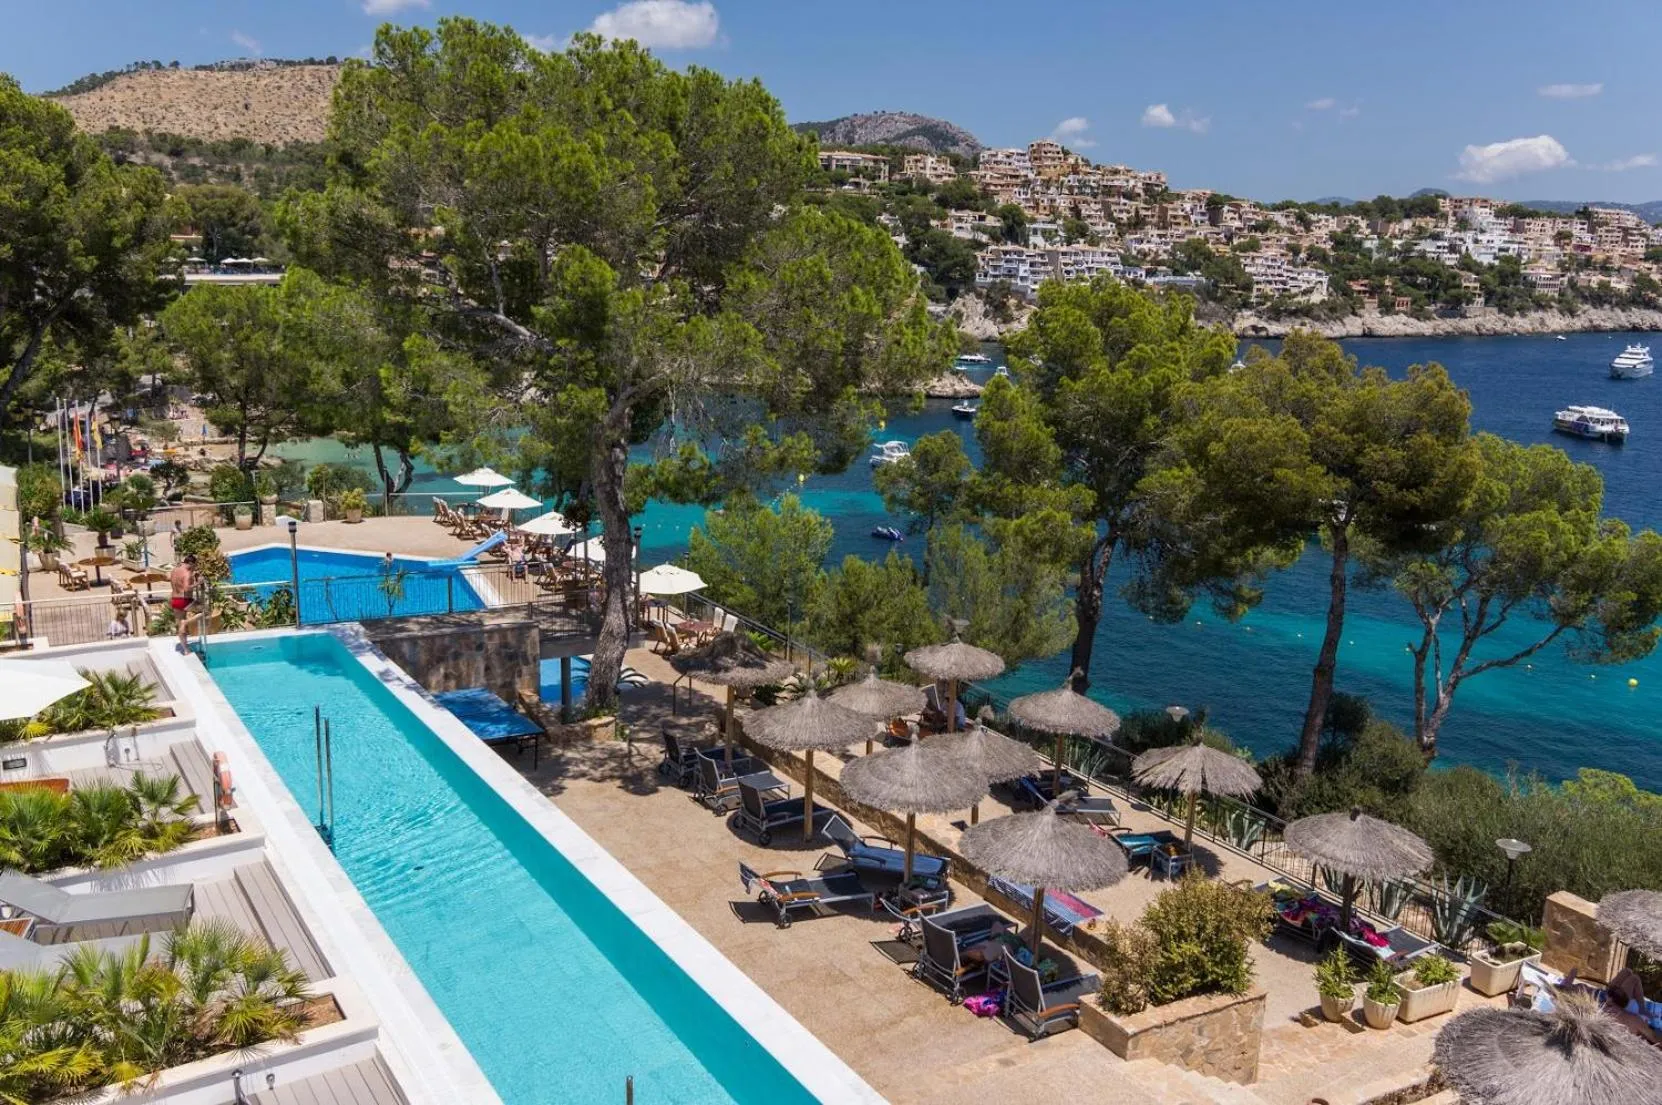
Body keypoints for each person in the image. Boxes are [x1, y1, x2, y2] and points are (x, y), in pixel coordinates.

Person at [170, 555, 196, 652]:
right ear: (191, 563)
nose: (194, 568)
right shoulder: (187, 573)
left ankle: (185, 649)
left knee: (180, 624)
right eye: (195, 565)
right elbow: (186, 588)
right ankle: (186, 622)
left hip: (174, 599)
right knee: (205, 611)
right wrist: (198, 583)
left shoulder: (174, 570)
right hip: (184, 600)